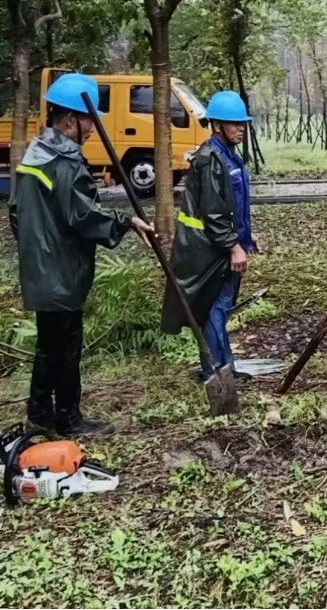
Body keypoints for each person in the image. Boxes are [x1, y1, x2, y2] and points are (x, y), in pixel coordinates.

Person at [10, 73, 152, 436]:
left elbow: (16, 212)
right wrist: (125, 222)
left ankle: (41, 414)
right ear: (72, 120)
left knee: (49, 346)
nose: (93, 129)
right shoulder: (66, 162)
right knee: (66, 346)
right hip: (59, 270)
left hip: (41, 266)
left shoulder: (36, 153)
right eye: (90, 121)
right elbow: (83, 217)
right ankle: (68, 419)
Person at [163, 90, 259, 380]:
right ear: (217, 125)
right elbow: (214, 214)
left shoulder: (230, 156)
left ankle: (223, 367)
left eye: (242, 123)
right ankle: (217, 372)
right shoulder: (210, 159)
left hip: (225, 244)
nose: (240, 128)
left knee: (221, 307)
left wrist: (246, 237)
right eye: (234, 124)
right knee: (215, 308)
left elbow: (233, 204)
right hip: (210, 250)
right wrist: (233, 246)